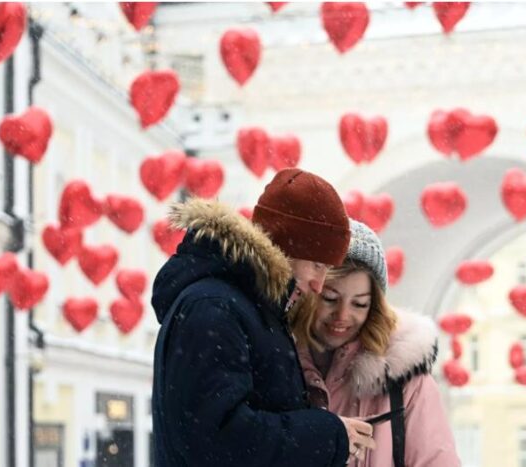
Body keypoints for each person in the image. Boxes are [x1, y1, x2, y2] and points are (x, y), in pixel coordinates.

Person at [150, 168, 375, 466]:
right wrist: (328, 435)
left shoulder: (248, 308)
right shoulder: (215, 308)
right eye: (317, 265)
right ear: (287, 247)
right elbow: (217, 439)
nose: (318, 286)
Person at [290, 220, 461, 467]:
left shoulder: (404, 381)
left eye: (359, 303)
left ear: (374, 307)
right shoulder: (278, 365)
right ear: (310, 292)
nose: (342, 316)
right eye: (329, 299)